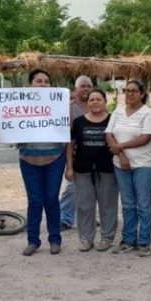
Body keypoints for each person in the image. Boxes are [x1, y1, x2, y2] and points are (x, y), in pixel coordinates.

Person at [105, 80, 151, 257]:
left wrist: (120, 147)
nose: (129, 94)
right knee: (127, 204)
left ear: (142, 93)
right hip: (120, 164)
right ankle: (128, 239)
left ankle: (143, 242)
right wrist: (120, 155)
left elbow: (144, 138)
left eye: (134, 91)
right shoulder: (118, 111)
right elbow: (108, 134)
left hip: (144, 165)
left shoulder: (148, 113)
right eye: (127, 91)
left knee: (143, 204)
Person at [18, 69, 67, 256]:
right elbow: (9, 130)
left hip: (55, 158)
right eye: (39, 81)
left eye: (47, 81)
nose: (43, 84)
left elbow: (67, 133)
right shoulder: (18, 104)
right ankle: (33, 241)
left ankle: (55, 239)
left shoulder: (60, 105)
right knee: (35, 201)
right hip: (28, 159)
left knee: (51, 200)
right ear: (30, 84)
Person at [66, 88, 118, 252]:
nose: (95, 102)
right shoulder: (80, 122)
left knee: (108, 206)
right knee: (84, 206)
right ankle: (86, 239)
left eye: (98, 99)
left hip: (108, 170)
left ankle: (107, 238)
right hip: (83, 170)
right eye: (91, 100)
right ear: (87, 103)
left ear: (105, 102)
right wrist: (70, 167)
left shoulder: (113, 120)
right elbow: (70, 145)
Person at [60, 75, 94, 230]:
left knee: (92, 188)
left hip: (93, 153)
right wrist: (69, 163)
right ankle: (65, 218)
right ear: (76, 88)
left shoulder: (96, 104)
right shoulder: (69, 107)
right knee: (72, 187)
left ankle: (89, 217)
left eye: (89, 86)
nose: (86, 89)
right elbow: (66, 133)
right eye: (83, 86)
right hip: (74, 152)